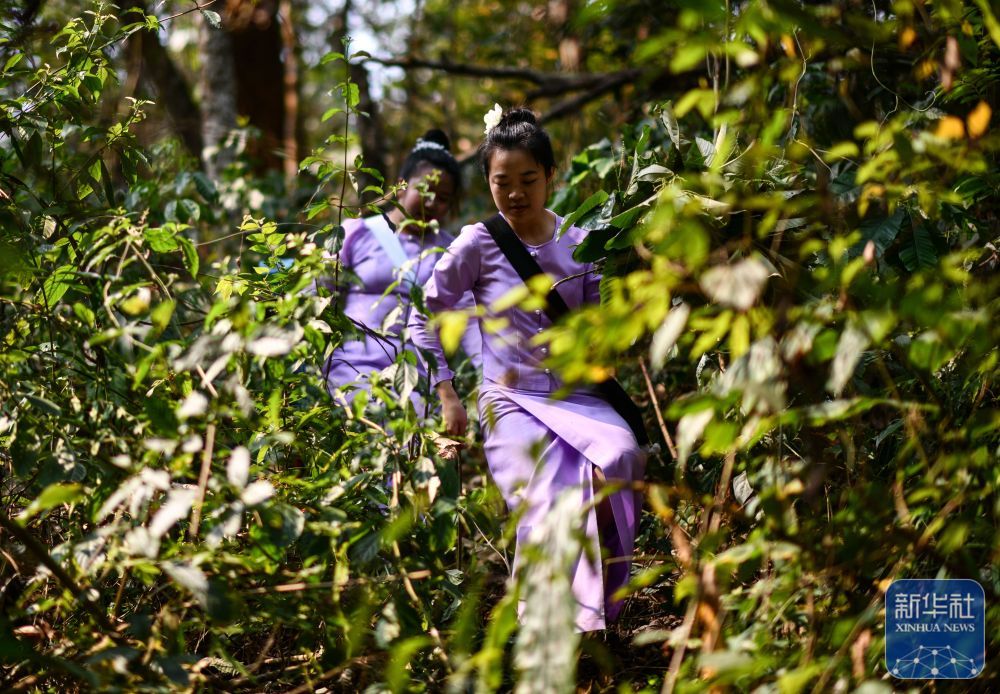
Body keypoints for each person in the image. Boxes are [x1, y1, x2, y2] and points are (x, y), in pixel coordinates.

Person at [408, 108, 645, 631]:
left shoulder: (582, 243)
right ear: (488, 182)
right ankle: (552, 626)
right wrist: (447, 393)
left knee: (622, 458)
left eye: (528, 181)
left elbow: (600, 327)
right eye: (502, 183)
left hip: (576, 397)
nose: (516, 193)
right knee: (550, 496)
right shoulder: (476, 242)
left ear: (551, 177)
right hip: (508, 400)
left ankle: (600, 603)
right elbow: (426, 314)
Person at [318, 129, 479, 416]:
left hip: (418, 385)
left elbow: (469, 325)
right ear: (402, 186)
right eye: (425, 191)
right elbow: (315, 296)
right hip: (349, 374)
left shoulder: (452, 251)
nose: (432, 204)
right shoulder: (357, 232)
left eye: (443, 198)